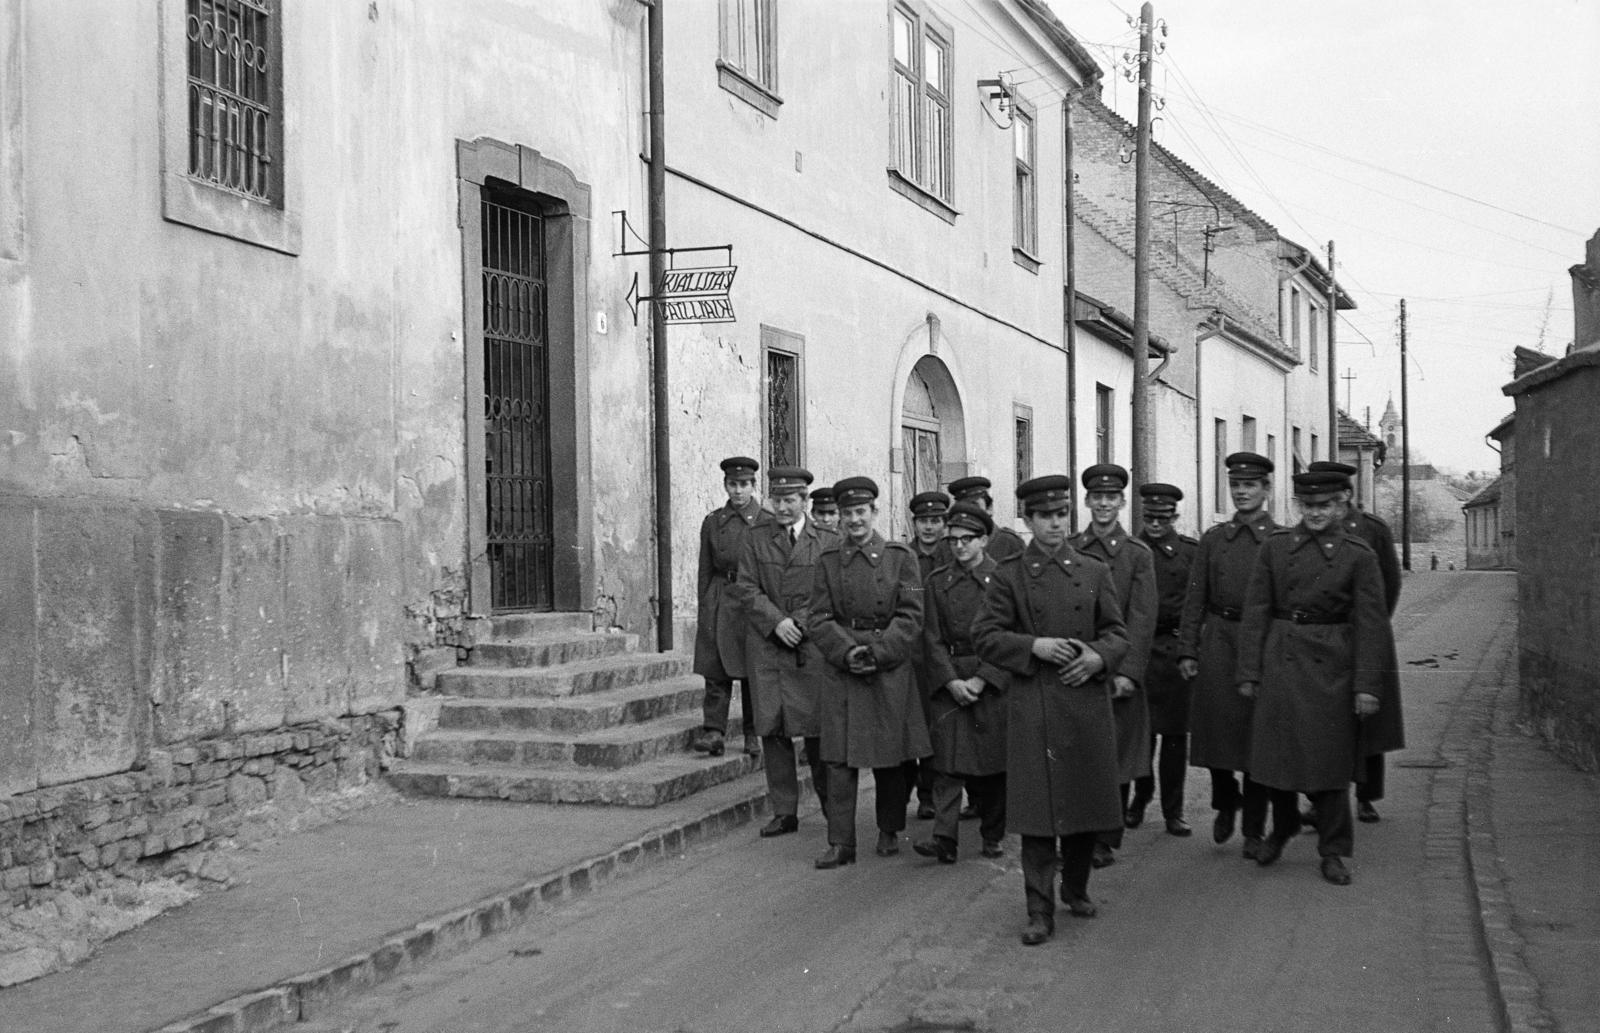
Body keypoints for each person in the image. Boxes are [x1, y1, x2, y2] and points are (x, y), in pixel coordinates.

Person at [973, 475, 1128, 945]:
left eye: (1062, 515)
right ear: (1027, 520)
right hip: (1034, 706)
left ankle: (1075, 888)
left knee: (1083, 807)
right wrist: (1033, 645)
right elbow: (985, 636)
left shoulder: (1095, 570)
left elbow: (1119, 633)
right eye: (1045, 516)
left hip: (1084, 703)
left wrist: (1100, 657)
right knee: (1039, 816)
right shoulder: (1009, 575)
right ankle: (1038, 910)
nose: (1056, 524)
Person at [1235, 469, 1395, 885]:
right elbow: (1255, 612)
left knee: (1329, 759)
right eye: (1308, 506)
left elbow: (1372, 624)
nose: (1316, 513)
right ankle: (1283, 825)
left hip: (1333, 664)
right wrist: (1249, 671)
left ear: (1340, 504)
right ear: (1298, 507)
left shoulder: (1358, 554)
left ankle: (1334, 849)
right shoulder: (1275, 549)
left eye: (1324, 506)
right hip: (1282, 658)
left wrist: (1367, 686)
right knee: (1276, 755)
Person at [807, 477, 931, 868]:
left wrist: (879, 653)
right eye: (848, 514)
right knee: (839, 760)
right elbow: (819, 617)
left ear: (875, 513)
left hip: (888, 668)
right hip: (843, 668)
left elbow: (912, 616)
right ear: (840, 518)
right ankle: (841, 842)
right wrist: (846, 652)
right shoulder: (828, 561)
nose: (855, 520)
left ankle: (889, 828)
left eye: (861, 512)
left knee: (889, 758)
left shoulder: (900, 558)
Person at [1177, 452, 1288, 859]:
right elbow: (1195, 598)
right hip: (1219, 642)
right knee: (1217, 732)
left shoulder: (1279, 541)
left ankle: (1255, 830)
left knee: (1256, 740)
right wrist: (1188, 648)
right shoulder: (1214, 540)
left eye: (1251, 486)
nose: (1242, 492)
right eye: (1236, 486)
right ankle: (1226, 799)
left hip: (1261, 644)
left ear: (1266, 490)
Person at [732, 466, 838, 839]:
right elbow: (745, 587)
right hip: (768, 645)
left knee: (816, 731)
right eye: (776, 500)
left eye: (789, 500)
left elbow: (829, 591)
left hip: (808, 648)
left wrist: (800, 622)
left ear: (804, 502)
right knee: (772, 729)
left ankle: (831, 809)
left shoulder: (825, 538)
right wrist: (777, 622)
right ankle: (784, 810)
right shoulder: (754, 537)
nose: (781, 507)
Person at [1308, 460, 1405, 824]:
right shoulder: (1309, 531)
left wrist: (1372, 630)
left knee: (1368, 721)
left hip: (1364, 634)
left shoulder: (1372, 529)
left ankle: (1367, 797)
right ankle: (1320, 799)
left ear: (1345, 493)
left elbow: (1390, 583)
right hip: (1323, 636)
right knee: (1322, 722)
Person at [1070, 464, 1157, 869]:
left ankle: (1107, 838)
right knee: (1083, 755)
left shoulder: (1137, 555)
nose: (1104, 504)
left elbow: (1142, 618)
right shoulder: (1072, 550)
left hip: (1117, 670)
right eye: (1097, 497)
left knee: (1117, 758)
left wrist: (1129, 672)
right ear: (1087, 501)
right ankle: (1078, 835)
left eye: (1111, 498)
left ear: (1122, 503)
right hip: (1079, 668)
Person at [913, 502, 1009, 864]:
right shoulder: (937, 582)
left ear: (984, 540)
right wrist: (951, 681)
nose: (959, 547)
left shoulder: (1002, 580)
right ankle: (944, 837)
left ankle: (993, 835)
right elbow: (931, 637)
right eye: (953, 540)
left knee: (991, 765)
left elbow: (1009, 635)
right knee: (947, 764)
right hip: (950, 678)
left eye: (968, 539)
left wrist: (983, 680)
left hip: (991, 677)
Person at [1127, 483, 1199, 837]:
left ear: (1175, 517)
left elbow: (1194, 608)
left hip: (1172, 654)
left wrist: (1189, 650)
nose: (1155, 524)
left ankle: (1174, 810)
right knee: (1140, 737)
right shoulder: (1129, 550)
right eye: (1149, 517)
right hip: (1137, 652)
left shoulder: (1189, 554)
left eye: (1162, 518)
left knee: (1173, 739)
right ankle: (1140, 798)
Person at [693, 457, 772, 758]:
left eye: (744, 485)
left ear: (753, 486)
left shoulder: (766, 521)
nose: (738, 491)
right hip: (720, 596)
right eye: (732, 485)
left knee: (752, 667)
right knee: (715, 667)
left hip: (752, 599)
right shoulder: (713, 522)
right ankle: (714, 731)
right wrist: (704, 605)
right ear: (725, 485)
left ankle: (753, 733)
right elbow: (704, 569)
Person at [905, 491, 953, 819]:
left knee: (941, 727)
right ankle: (922, 794)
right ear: (915, 523)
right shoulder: (903, 557)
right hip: (910, 655)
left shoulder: (954, 555)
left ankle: (936, 794)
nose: (929, 528)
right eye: (923, 521)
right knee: (914, 725)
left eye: (935, 521)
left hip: (944, 654)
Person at [948, 475, 1026, 561]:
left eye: (974, 506)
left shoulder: (1009, 542)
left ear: (989, 509)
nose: (969, 512)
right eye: (963, 507)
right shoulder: (949, 545)